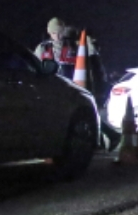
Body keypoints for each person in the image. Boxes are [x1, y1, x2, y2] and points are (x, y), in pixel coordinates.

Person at [35, 18, 121, 150]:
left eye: (59, 32)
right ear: (49, 32)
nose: (56, 36)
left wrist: (87, 41)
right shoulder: (43, 48)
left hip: (73, 88)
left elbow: (92, 56)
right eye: (53, 33)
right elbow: (34, 64)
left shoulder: (74, 46)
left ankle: (104, 138)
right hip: (52, 88)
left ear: (63, 31)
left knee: (79, 115)